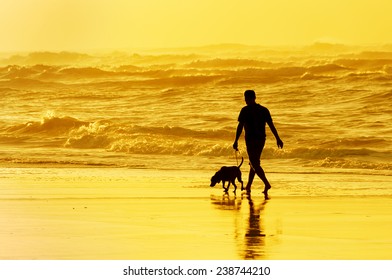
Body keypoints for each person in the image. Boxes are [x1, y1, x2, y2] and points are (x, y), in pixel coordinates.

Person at [233, 90, 283, 198]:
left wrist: (236, 140)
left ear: (251, 98)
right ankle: (249, 186)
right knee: (254, 162)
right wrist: (277, 138)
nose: (245, 100)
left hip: (251, 140)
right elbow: (271, 125)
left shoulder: (245, 110)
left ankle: (266, 184)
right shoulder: (263, 110)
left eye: (246, 98)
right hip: (261, 140)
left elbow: (240, 127)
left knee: (254, 163)